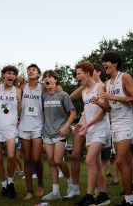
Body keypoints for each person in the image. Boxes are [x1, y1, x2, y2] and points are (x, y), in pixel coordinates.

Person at [100, 51, 133, 206]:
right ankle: (129, 199)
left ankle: (130, 199)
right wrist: (99, 102)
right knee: (123, 163)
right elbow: (109, 108)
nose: (104, 64)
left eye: (106, 62)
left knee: (120, 160)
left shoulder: (125, 77)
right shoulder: (106, 83)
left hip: (126, 122)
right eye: (103, 62)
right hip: (114, 124)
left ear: (115, 63)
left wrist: (112, 97)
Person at [67, 63, 107, 198]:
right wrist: (82, 124)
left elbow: (103, 112)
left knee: (89, 160)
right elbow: (87, 111)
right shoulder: (84, 92)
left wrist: (87, 124)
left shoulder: (100, 87)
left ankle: (89, 196)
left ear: (88, 74)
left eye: (79, 73)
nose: (77, 76)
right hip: (90, 130)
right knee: (96, 163)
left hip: (101, 128)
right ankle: (103, 195)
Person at [41, 70, 76, 201]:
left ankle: (71, 183)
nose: (47, 79)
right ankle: (55, 191)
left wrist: (66, 126)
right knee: (50, 161)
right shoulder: (43, 96)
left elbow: (73, 113)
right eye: (45, 77)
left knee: (57, 160)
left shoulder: (63, 95)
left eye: (50, 77)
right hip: (47, 133)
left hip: (60, 133)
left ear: (55, 80)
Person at [0, 65, 21, 199]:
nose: (11, 75)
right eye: (9, 73)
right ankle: (3, 185)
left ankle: (10, 182)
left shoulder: (17, 90)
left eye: (14, 74)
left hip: (10, 128)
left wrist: (20, 102)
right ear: (3, 75)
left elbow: (20, 109)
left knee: (11, 157)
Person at [18, 64, 45, 199]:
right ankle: (29, 191)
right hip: (23, 127)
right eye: (28, 70)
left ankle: (40, 183)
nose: (30, 71)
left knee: (36, 158)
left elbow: (57, 89)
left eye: (33, 70)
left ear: (39, 74)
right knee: (27, 159)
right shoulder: (22, 87)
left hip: (38, 126)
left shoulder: (43, 87)